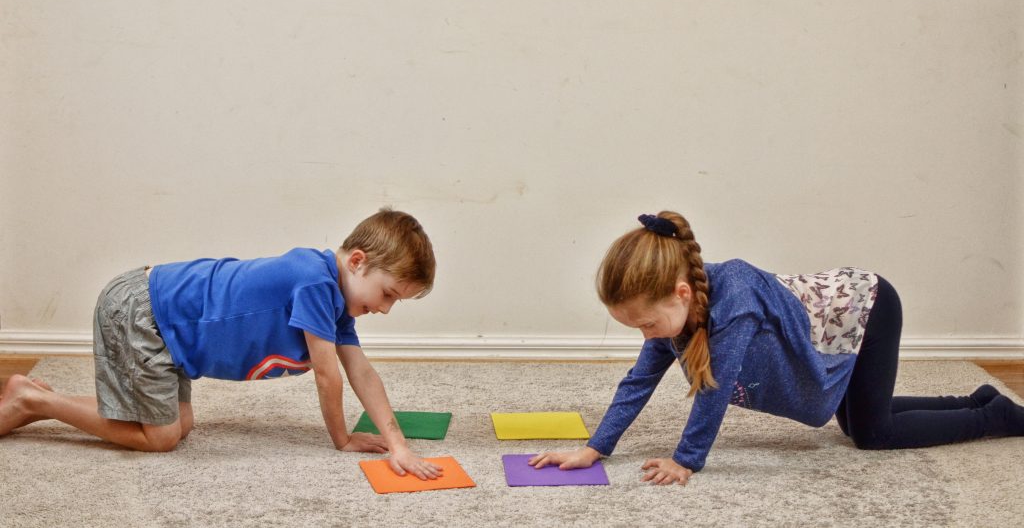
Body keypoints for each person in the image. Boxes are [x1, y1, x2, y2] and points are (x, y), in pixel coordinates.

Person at [530, 211, 1024, 485]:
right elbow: (639, 380)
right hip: (834, 314)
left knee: (872, 433)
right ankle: (976, 400)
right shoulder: (677, 313)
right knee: (853, 420)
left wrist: (687, 459)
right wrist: (595, 448)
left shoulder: (735, 306)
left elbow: (714, 390)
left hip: (866, 309)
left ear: (681, 294)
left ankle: (996, 418)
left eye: (647, 324)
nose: (646, 337)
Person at [0, 208, 442, 480]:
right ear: (358, 262)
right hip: (146, 312)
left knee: (181, 423)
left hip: (171, 327)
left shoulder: (337, 306)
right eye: (387, 294)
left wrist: (398, 442)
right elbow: (329, 376)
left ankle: (43, 396)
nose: (385, 309)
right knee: (161, 438)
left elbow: (361, 371)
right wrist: (341, 439)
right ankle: (33, 402)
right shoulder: (313, 280)